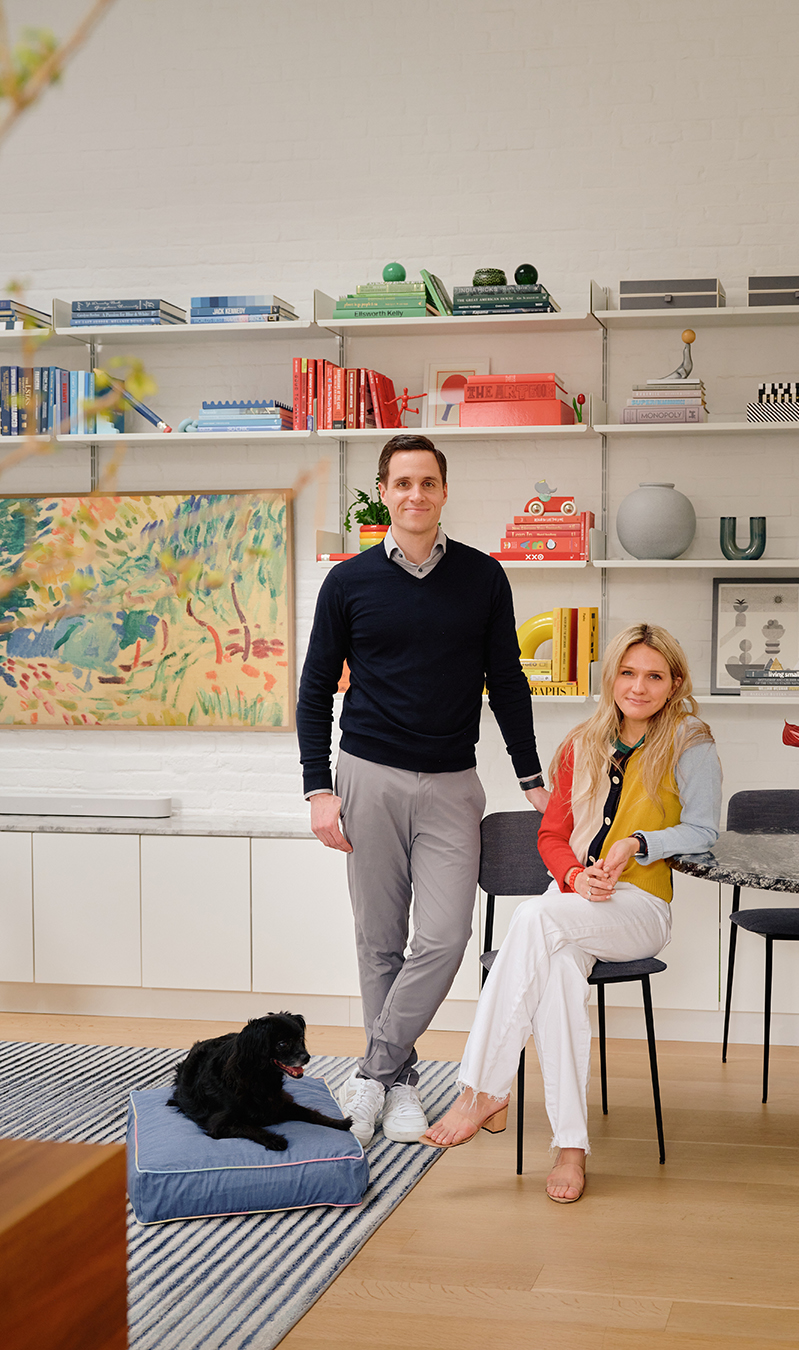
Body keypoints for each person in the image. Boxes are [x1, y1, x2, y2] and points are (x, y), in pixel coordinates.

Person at [295, 433, 549, 1147]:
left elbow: (509, 684)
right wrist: (319, 789)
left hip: (451, 783)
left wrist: (531, 778)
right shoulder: (347, 582)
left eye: (427, 483)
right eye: (401, 483)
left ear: (444, 491)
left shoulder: (483, 578)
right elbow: (315, 693)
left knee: (443, 937)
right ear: (384, 492)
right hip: (366, 777)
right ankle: (401, 1087)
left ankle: (372, 1073)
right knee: (378, 941)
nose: (414, 495)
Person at [419, 623, 722, 1203]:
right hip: (574, 902)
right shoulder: (580, 743)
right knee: (554, 970)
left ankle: (483, 1089)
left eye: (654, 676)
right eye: (628, 673)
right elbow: (552, 834)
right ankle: (571, 1148)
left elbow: (704, 830)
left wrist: (636, 843)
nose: (639, 687)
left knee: (534, 919)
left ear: (674, 683)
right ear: (610, 678)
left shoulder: (691, 741)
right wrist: (576, 875)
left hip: (640, 908)